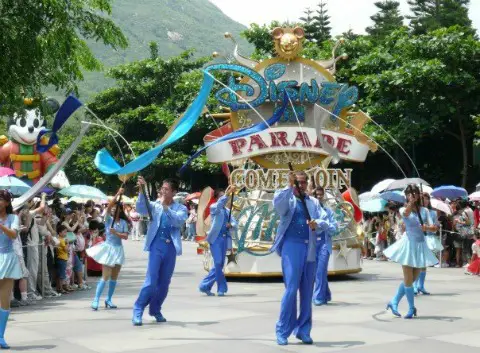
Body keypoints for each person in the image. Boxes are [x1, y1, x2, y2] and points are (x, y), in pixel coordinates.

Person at [271, 171, 329, 346]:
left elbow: (327, 222)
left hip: (310, 247)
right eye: (298, 182)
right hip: (292, 246)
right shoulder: (287, 198)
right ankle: (282, 329)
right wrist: (289, 186)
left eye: (303, 183)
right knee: (291, 288)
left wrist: (317, 223)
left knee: (307, 291)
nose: (301, 186)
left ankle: (303, 330)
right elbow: (278, 206)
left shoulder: (313, 202)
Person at [132, 176, 188, 326]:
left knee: (164, 283)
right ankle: (138, 308)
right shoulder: (155, 205)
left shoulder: (181, 208)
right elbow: (141, 208)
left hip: (170, 248)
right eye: (162, 188)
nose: (163, 191)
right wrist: (142, 190)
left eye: (166, 189)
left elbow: (178, 221)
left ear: (174, 192)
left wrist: (166, 208)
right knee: (151, 281)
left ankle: (155, 309)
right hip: (156, 245)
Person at [384, 185, 438, 319]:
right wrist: (411, 203)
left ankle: (394, 301)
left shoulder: (425, 211)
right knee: (408, 279)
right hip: (408, 245)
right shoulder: (404, 208)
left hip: (421, 246)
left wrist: (427, 227)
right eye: (409, 193)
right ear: (407, 196)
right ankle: (411, 308)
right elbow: (406, 214)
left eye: (414, 193)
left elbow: (434, 228)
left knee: (413, 278)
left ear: (419, 195)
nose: (412, 195)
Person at [86, 188, 129, 310]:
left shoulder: (123, 223)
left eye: (117, 208)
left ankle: (109, 299)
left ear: (120, 210)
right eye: (113, 208)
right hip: (109, 249)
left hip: (118, 249)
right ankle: (96, 300)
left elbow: (125, 236)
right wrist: (118, 194)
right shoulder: (108, 219)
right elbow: (109, 206)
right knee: (105, 276)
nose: (114, 209)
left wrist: (116, 233)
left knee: (114, 277)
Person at [199, 186, 238, 296]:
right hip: (216, 238)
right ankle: (221, 288)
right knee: (218, 262)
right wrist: (227, 194)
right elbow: (220, 204)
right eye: (221, 196)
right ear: (217, 198)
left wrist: (231, 225)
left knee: (219, 265)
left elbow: (236, 225)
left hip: (225, 239)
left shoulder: (228, 211)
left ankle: (205, 286)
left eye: (224, 196)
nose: (224, 198)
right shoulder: (214, 207)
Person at [0, 190, 22, 349]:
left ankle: (0, 336)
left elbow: (13, 235)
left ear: (7, 203)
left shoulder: (13, 217)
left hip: (7, 259)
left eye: (1, 199)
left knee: (4, 300)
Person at [312, 186, 337, 306]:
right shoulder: (311, 210)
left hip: (324, 244)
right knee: (317, 271)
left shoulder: (329, 212)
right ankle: (326, 294)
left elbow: (334, 228)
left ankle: (319, 296)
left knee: (320, 271)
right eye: (317, 194)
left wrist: (324, 224)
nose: (319, 196)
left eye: (321, 194)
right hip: (313, 244)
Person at [414, 193, 441, 295]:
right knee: (417, 262)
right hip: (417, 238)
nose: (425, 201)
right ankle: (415, 285)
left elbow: (435, 226)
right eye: (423, 199)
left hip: (428, 238)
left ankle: (421, 285)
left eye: (427, 199)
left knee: (423, 263)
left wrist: (431, 227)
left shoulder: (432, 212)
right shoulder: (415, 211)